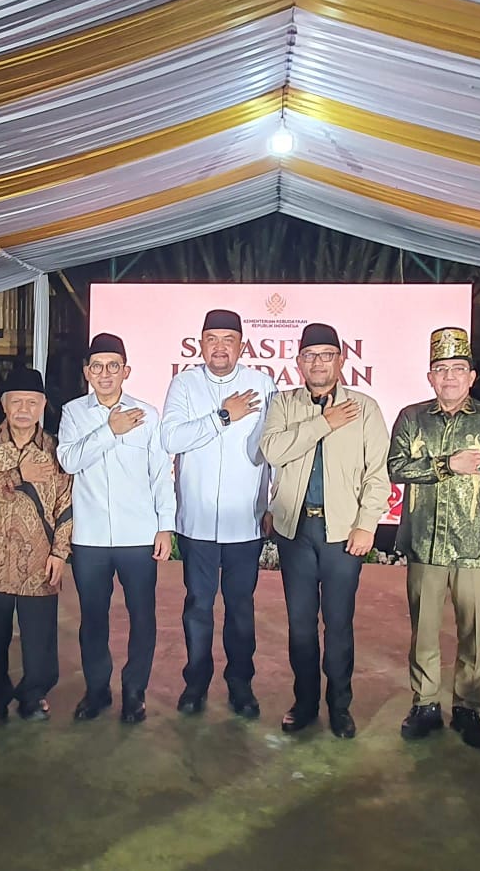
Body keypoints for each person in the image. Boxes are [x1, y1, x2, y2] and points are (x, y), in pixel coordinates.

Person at [387, 326, 480, 750]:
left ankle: (468, 707)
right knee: (424, 632)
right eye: (441, 369)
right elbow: (395, 467)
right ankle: (425, 703)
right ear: (430, 376)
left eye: (458, 369)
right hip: (425, 543)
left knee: (473, 635)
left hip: (476, 544)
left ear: (472, 376)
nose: (449, 377)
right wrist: (448, 465)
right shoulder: (412, 418)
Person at [259, 322, 390, 738]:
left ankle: (339, 705)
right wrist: (323, 423)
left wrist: (366, 525)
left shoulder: (365, 408)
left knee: (338, 624)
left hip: (342, 533)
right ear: (299, 362)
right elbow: (272, 450)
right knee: (300, 625)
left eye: (326, 355)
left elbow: (377, 474)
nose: (318, 363)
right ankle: (304, 702)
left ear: (341, 360)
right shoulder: (284, 404)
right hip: (295, 530)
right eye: (310, 356)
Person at [161, 308, 278, 718]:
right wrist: (223, 416)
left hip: (246, 519)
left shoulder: (262, 384)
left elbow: (275, 450)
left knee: (240, 607)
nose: (220, 347)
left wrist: (273, 504)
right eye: (212, 339)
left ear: (242, 345)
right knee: (198, 605)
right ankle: (195, 683)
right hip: (196, 521)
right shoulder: (185, 384)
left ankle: (240, 683)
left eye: (228, 340)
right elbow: (171, 438)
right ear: (201, 344)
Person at [57, 332, 176, 724]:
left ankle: (135, 691)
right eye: (97, 367)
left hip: (138, 534)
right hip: (90, 537)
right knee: (93, 618)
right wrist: (110, 430)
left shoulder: (147, 414)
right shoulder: (74, 413)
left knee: (142, 617)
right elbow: (69, 461)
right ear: (86, 373)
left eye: (113, 366)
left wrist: (165, 526)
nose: (105, 373)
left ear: (126, 371)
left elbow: (160, 473)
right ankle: (97, 691)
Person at [0, 366, 73, 723]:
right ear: (4, 405)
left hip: (38, 558)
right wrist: (19, 475)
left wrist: (60, 553)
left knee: (40, 641)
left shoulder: (56, 448)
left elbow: (66, 505)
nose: (24, 409)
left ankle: (33, 696)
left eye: (32, 402)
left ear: (43, 405)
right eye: (16, 402)